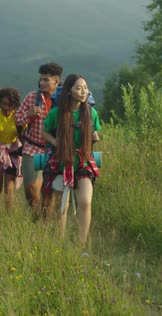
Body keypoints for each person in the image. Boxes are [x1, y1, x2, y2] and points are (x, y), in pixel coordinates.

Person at [40, 74, 101, 245]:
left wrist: (91, 139)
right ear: (68, 91)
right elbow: (43, 132)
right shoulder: (56, 114)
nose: (83, 92)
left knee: (85, 201)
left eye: (85, 88)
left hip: (83, 161)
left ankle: (81, 244)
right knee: (62, 206)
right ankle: (59, 242)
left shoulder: (91, 112)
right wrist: (56, 142)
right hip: (61, 162)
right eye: (79, 88)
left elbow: (95, 134)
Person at [15, 62, 63, 219]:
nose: (42, 82)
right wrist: (28, 114)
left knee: (48, 192)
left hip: (54, 150)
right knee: (31, 189)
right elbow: (17, 120)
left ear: (56, 81)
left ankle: (44, 224)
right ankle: (36, 215)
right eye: (40, 79)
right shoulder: (31, 97)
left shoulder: (64, 99)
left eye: (46, 80)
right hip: (33, 148)